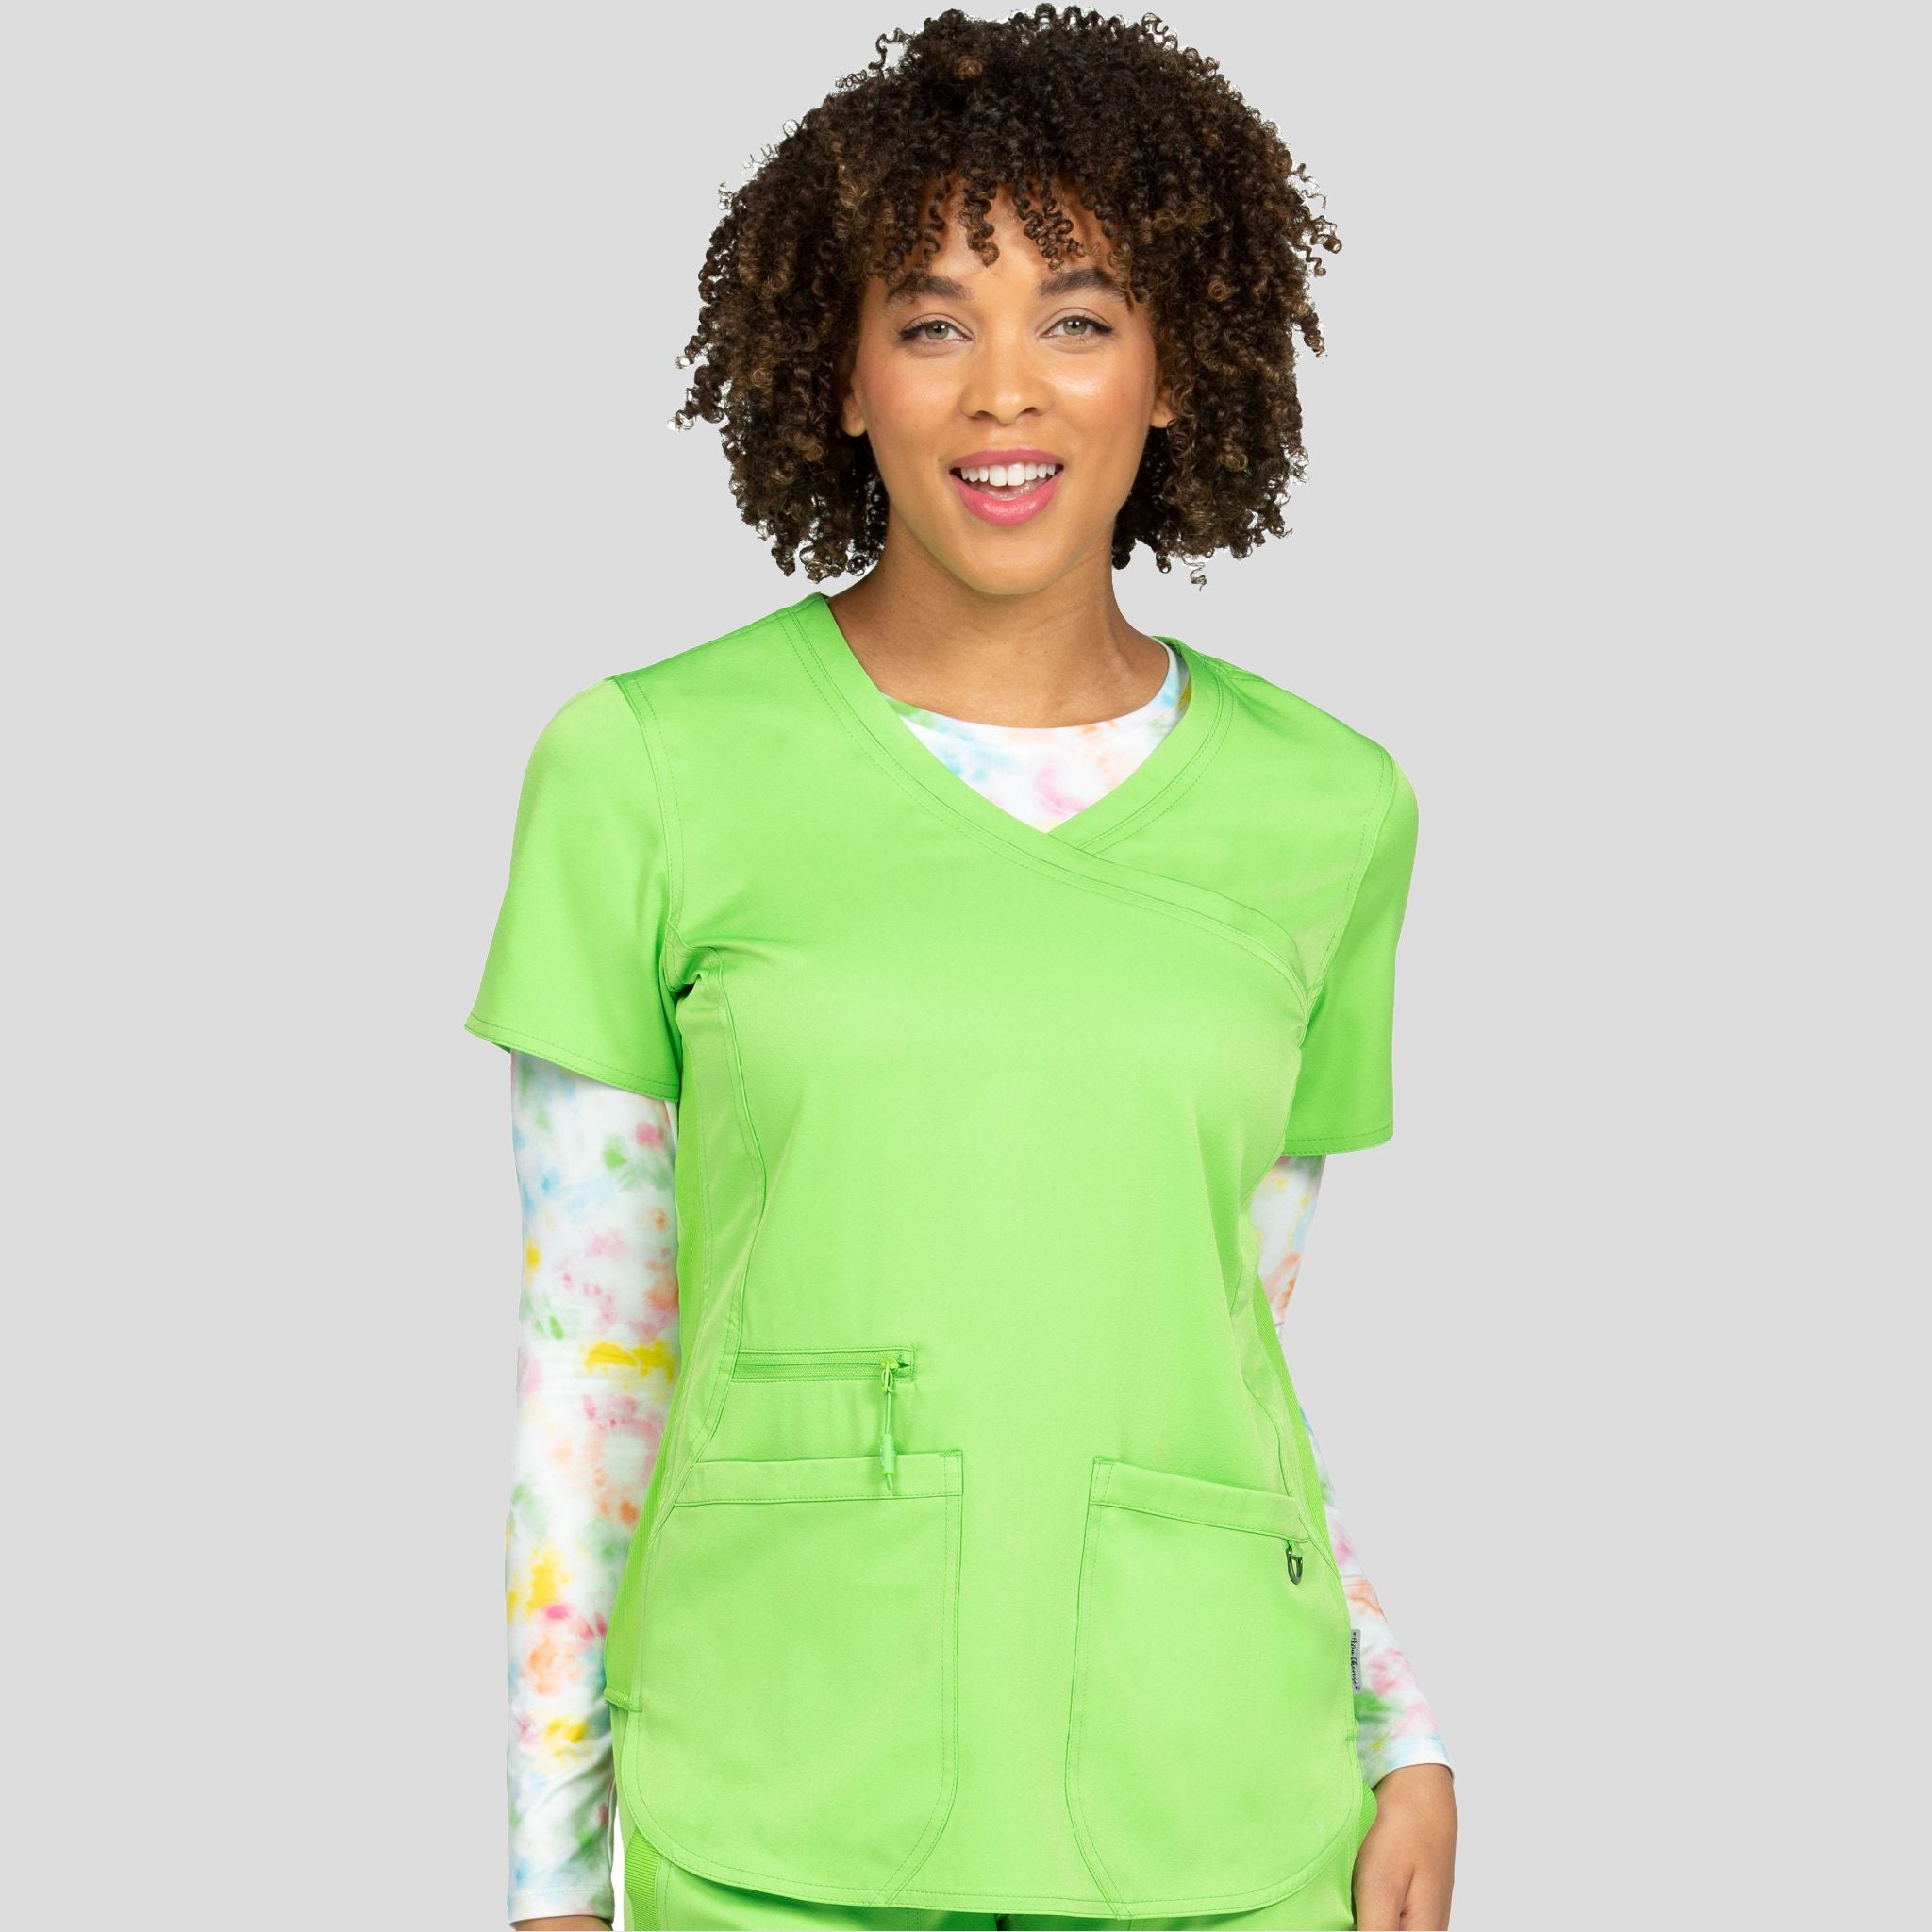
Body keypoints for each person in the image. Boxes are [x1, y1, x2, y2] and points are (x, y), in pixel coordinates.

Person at [466, 9, 1458, 1928]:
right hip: (780, 1793)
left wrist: (1393, 1724)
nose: (1006, 392)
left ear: (1173, 369)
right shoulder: (645, 771)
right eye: (931, 323)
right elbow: (595, 1364)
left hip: (1216, 1806)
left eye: (1078, 317)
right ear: (840, 378)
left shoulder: (1330, 809)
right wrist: (548, 1872)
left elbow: (1230, 1354)